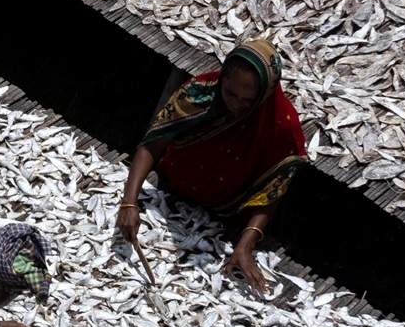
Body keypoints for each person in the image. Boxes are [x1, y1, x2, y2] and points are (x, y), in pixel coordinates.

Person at [116, 38, 308, 297]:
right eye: (230, 93)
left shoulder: (281, 126)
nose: (236, 104)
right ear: (223, 79)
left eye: (248, 100)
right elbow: (153, 143)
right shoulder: (199, 93)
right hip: (170, 188)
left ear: (265, 93)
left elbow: (272, 193)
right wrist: (129, 201)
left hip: (225, 214)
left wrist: (246, 243)